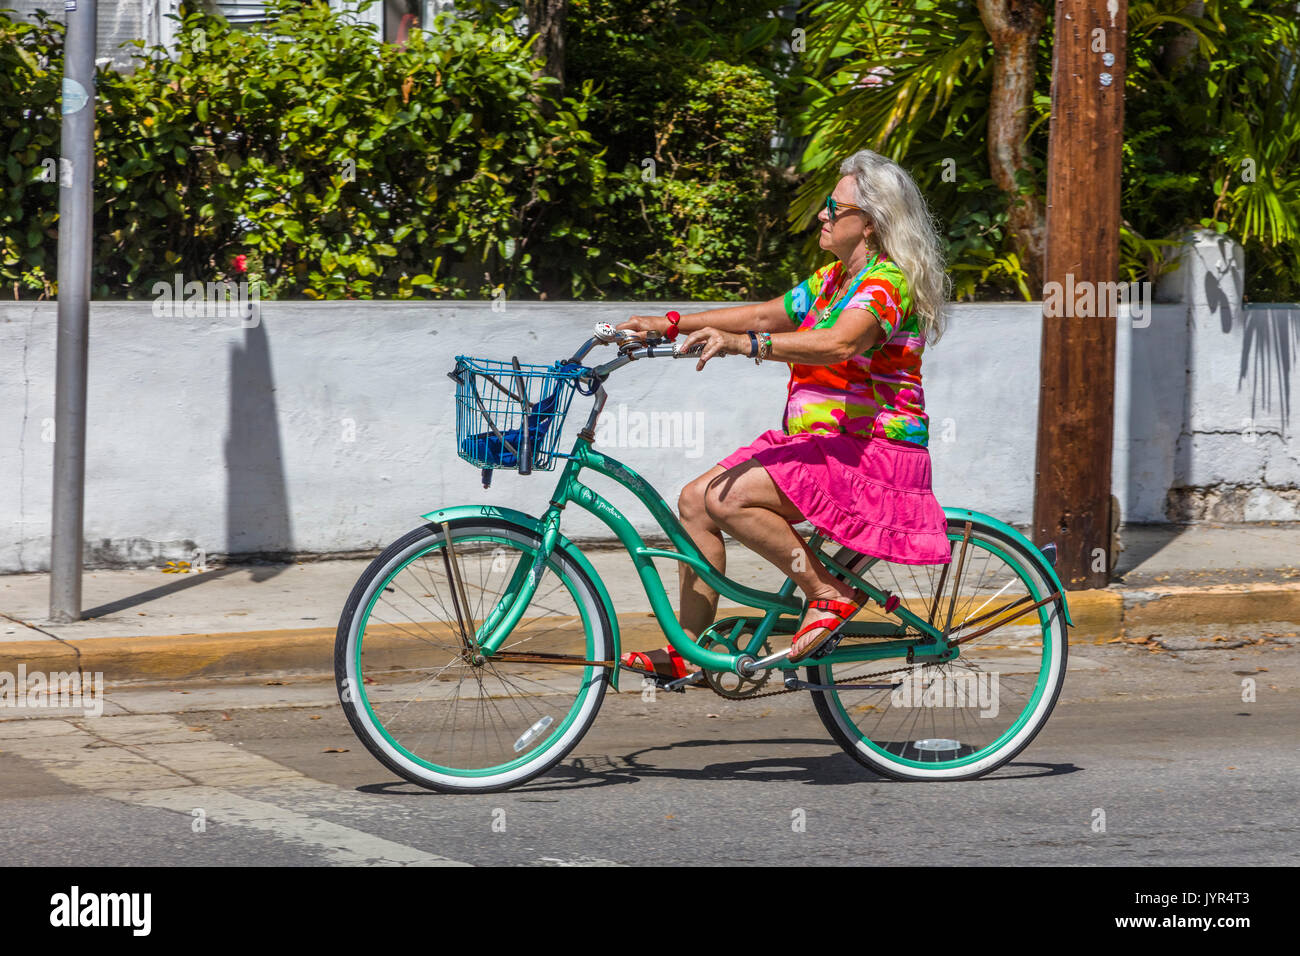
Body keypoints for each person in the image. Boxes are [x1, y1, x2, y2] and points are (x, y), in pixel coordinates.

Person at [614, 149, 953, 680]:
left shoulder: (888, 283)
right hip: (819, 444)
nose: (823, 214)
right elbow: (765, 313)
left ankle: (825, 591)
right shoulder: (834, 280)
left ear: (871, 223)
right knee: (695, 502)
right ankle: (692, 651)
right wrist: (670, 323)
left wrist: (741, 344)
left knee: (730, 496)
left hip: (870, 451)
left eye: (834, 208)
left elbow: (840, 344)